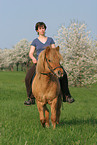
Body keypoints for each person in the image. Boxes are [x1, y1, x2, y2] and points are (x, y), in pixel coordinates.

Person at [24, 22, 75, 105]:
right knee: (28, 78)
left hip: (51, 63)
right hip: (39, 63)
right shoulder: (35, 41)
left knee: (63, 74)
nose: (42, 30)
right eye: (40, 28)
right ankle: (31, 98)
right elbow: (31, 53)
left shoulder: (50, 40)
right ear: (37, 30)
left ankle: (66, 96)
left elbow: (54, 51)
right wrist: (33, 58)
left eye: (43, 28)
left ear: (45, 29)